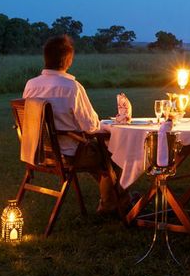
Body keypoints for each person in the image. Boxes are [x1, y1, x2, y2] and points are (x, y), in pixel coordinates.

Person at [22, 35, 127, 215]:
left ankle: (116, 200)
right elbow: (90, 126)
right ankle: (115, 203)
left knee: (100, 157)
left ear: (46, 58)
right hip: (70, 155)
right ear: (68, 60)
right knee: (115, 153)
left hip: (39, 153)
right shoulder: (71, 87)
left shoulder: (31, 85)